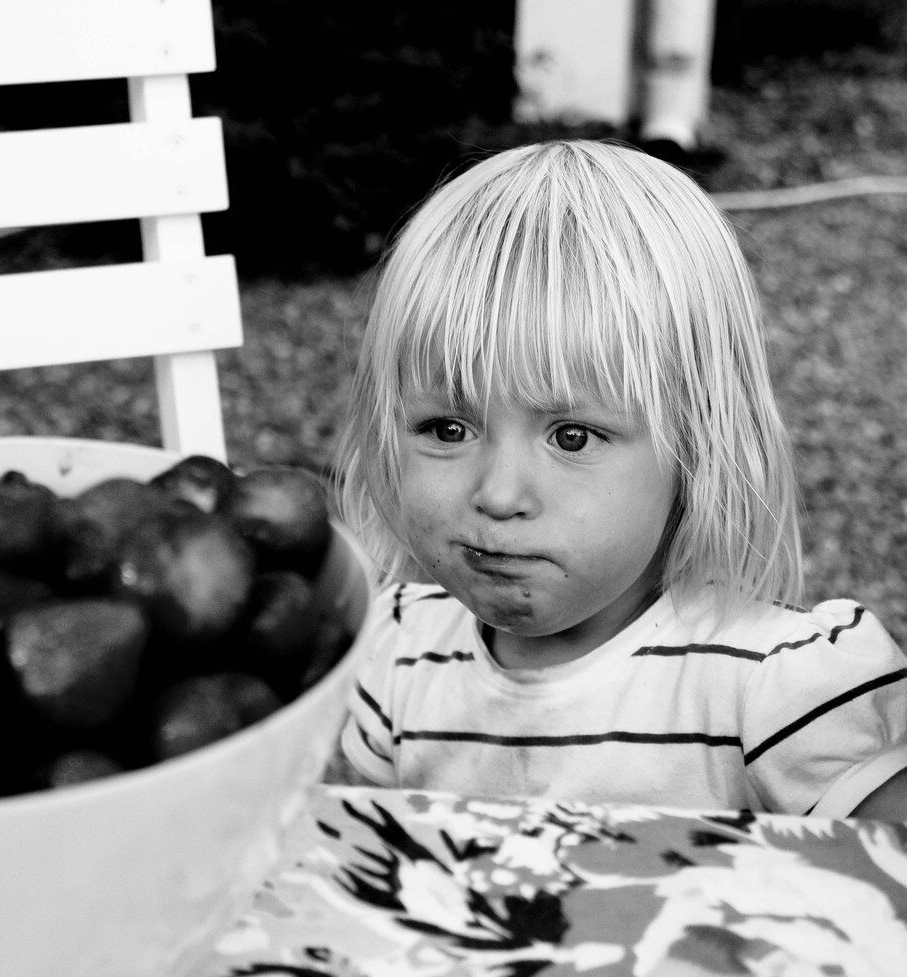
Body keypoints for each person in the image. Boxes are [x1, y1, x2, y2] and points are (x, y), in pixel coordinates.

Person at [329, 139, 907, 818]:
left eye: (572, 437)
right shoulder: (396, 654)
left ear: (698, 443)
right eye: (447, 429)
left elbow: (882, 876)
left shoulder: (780, 688)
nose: (499, 495)